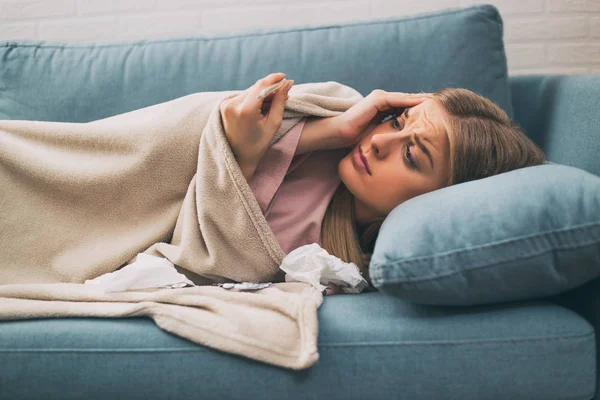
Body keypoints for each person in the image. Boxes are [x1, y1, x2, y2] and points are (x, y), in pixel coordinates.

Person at [219, 73, 547, 295]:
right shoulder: (336, 117)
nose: (379, 142)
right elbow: (192, 133)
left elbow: (213, 260)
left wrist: (244, 159)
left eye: (411, 156)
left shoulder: (336, 263)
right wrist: (329, 131)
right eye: (396, 122)